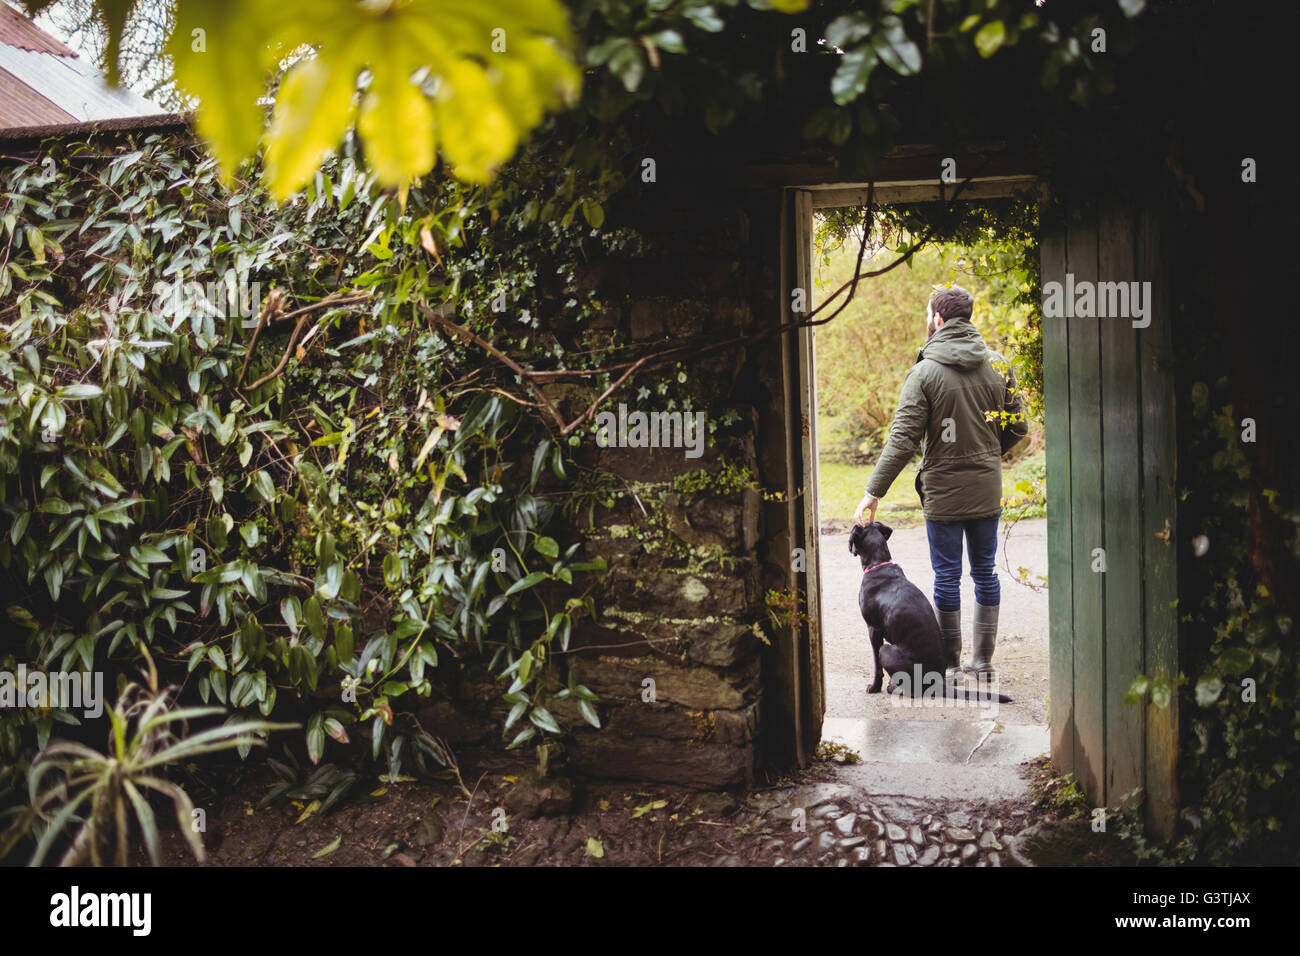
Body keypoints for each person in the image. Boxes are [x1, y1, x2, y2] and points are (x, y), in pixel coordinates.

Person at [854, 285, 1028, 686]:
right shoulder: (1000, 366)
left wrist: (873, 490)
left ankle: (948, 665)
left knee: (947, 576)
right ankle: (983, 664)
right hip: (986, 487)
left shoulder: (924, 373)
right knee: (985, 572)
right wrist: (987, 453)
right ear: (968, 316)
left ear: (937, 319)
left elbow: (903, 439)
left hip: (943, 492)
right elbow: (1018, 426)